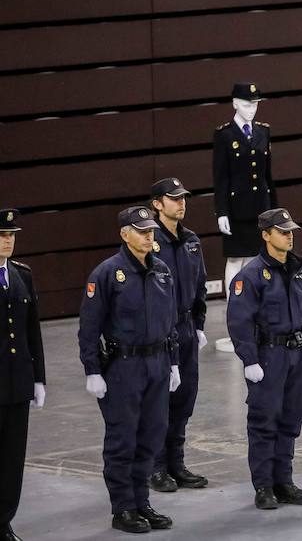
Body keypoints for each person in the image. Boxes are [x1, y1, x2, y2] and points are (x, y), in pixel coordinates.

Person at [78, 206, 179, 534]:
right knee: (123, 439)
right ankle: (123, 508)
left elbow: (170, 321)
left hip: (157, 363)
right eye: (141, 231)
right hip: (124, 367)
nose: (149, 236)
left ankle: (141, 501)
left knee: (152, 435)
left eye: (151, 231)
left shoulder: (161, 270)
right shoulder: (107, 273)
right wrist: (92, 369)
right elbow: (89, 326)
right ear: (125, 234)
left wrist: (174, 362)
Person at [226, 208, 302, 510]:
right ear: (266, 235)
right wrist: (249, 359)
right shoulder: (251, 275)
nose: (289, 236)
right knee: (264, 420)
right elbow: (239, 321)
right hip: (268, 356)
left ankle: (284, 482)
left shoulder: (301, 270)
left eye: (290, 231)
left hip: (296, 353)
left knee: (291, 417)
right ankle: (264, 486)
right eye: (282, 232)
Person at [147, 178, 210, 494]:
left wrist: (199, 325)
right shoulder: (149, 240)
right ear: (157, 204)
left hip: (185, 328)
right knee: (160, 400)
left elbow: (200, 285)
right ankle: (156, 466)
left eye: (183, 197)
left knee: (185, 398)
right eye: (173, 198)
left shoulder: (191, 241)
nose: (181, 203)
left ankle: (177, 463)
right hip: (160, 332)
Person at [0, 210, 44, 541]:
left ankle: (3, 521)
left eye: (12, 235)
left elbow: (32, 330)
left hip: (17, 382)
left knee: (12, 458)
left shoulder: (21, 274)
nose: (8, 240)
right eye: (2, 235)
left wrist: (38, 378)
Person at [213, 82, 277, 308]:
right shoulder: (224, 134)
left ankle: (252, 304)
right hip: (236, 207)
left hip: (260, 206)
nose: (252, 110)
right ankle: (234, 307)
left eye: (255, 105)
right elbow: (220, 177)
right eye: (246, 105)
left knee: (255, 258)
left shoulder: (263, 131)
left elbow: (268, 175)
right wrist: (221, 212)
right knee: (235, 259)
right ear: (235, 104)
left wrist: (274, 209)